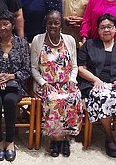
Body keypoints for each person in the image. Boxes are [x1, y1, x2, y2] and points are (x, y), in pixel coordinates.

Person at [77, 13, 116, 160]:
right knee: (102, 97)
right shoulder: (89, 45)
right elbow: (81, 68)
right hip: (96, 85)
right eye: (102, 27)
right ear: (98, 30)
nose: (106, 30)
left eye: (109, 27)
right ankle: (109, 137)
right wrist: (95, 80)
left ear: (115, 29)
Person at [31, 10, 83, 158]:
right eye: (49, 23)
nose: (53, 25)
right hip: (47, 85)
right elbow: (34, 68)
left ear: (61, 25)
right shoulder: (38, 40)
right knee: (54, 100)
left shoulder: (69, 40)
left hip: (66, 83)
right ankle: (54, 139)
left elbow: (74, 66)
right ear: (45, 24)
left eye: (56, 23)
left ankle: (65, 138)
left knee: (74, 97)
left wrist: (72, 80)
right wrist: (43, 82)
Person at [0, 10, 31, 162]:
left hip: (15, 85)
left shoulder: (22, 44)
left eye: (5, 24)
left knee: (10, 100)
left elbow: (27, 70)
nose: (2, 28)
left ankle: (9, 141)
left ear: (12, 24)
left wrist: (11, 76)